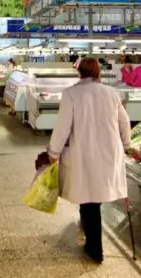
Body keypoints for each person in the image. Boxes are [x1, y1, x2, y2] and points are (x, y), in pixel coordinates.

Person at [46, 58, 130, 264]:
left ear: (80, 73)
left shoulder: (71, 94)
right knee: (94, 197)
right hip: (109, 152)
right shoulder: (112, 93)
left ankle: (95, 249)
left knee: (89, 198)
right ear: (98, 72)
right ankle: (87, 227)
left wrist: (54, 152)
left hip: (83, 152)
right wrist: (126, 144)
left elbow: (63, 126)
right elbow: (124, 121)